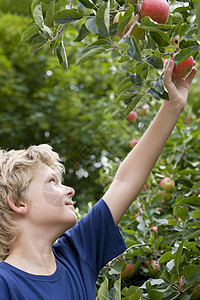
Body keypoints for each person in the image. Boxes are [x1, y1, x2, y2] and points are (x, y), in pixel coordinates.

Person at [0, 60, 197, 300]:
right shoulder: (5, 283)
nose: (70, 190)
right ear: (19, 203)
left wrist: (173, 105)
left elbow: (125, 182)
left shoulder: (76, 255)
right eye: (52, 182)